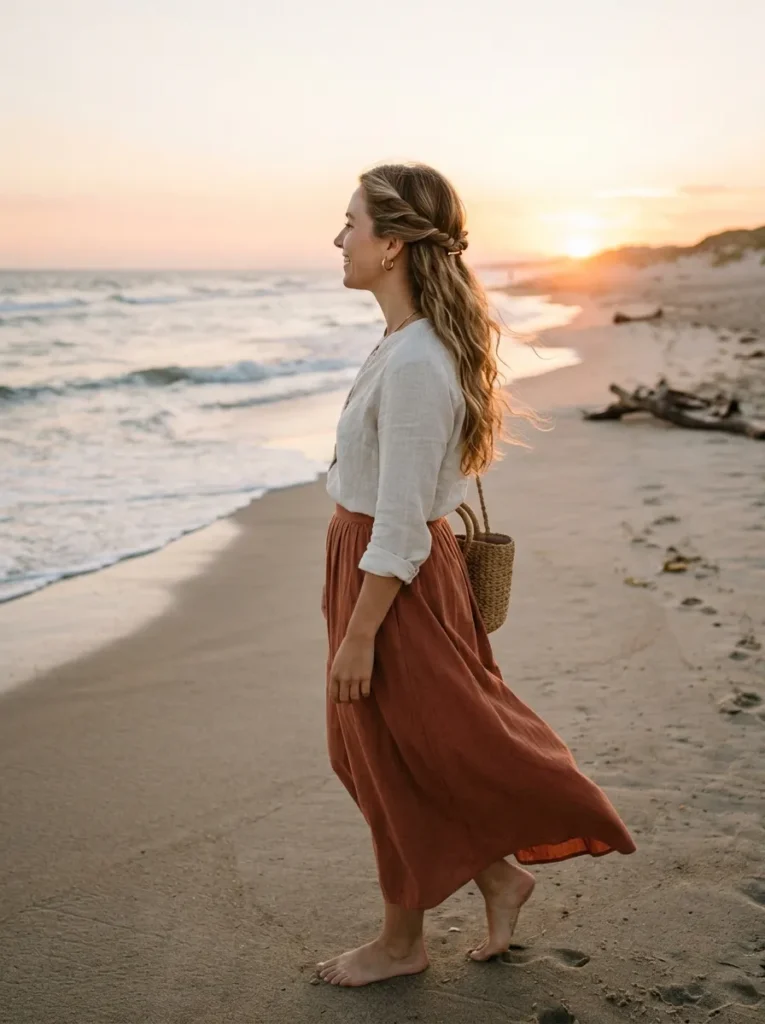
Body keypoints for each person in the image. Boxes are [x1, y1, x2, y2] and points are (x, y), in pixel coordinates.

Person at [316, 163, 636, 988]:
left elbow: (399, 524)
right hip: (372, 567)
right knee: (378, 752)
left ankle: (400, 944)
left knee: (396, 756)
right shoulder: (400, 345)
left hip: (389, 581)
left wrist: (359, 633)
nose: (338, 238)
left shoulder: (416, 362)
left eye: (351, 222)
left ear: (392, 243)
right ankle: (497, 878)